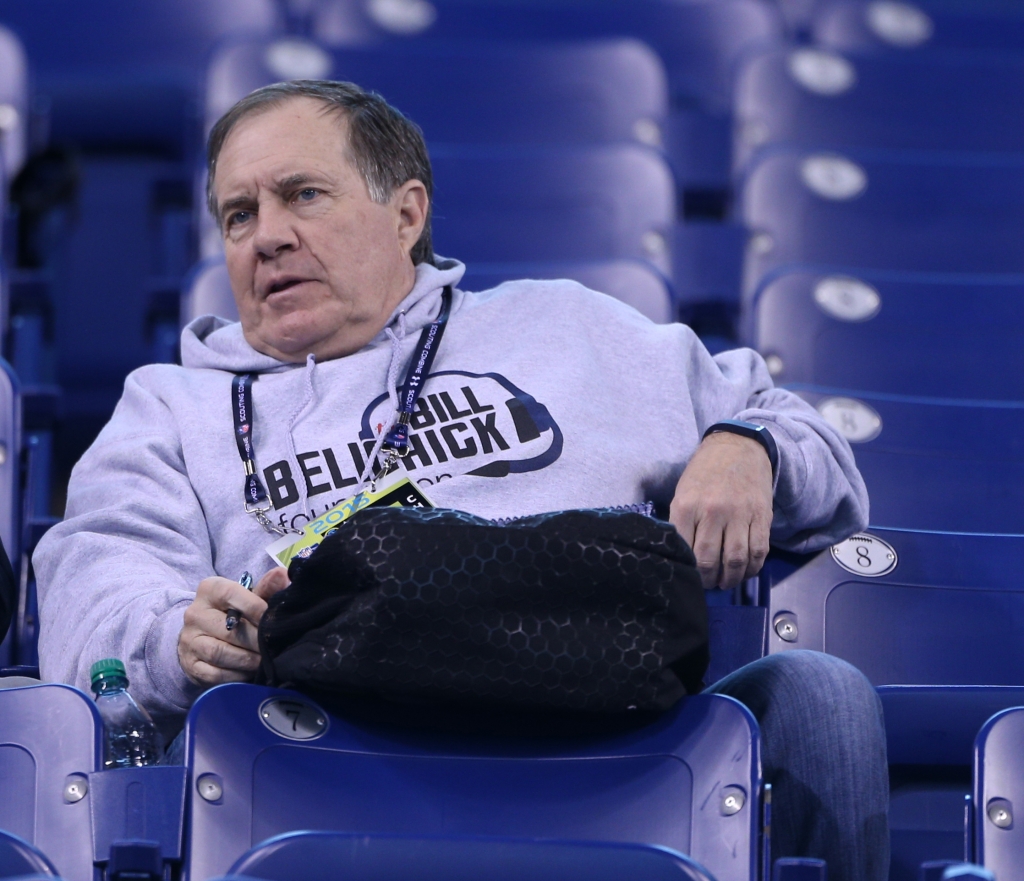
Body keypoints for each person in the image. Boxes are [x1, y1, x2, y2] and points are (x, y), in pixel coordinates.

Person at [34, 80, 886, 880]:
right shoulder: (171, 406)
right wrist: (173, 643)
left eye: (303, 195)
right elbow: (91, 607)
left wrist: (748, 444)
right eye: (238, 214)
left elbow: (820, 456)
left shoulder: (568, 328)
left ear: (406, 214)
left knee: (822, 694)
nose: (267, 236)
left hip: (606, 737)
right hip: (320, 758)